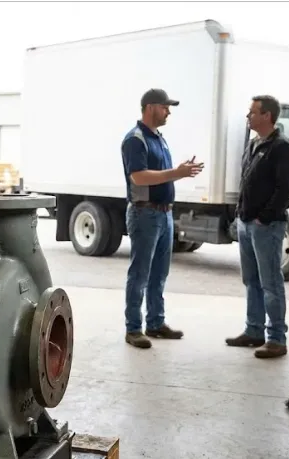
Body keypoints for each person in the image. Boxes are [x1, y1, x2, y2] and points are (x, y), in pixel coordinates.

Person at [120, 89, 204, 349]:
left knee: (159, 273)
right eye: (165, 107)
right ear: (149, 108)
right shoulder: (135, 140)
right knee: (140, 273)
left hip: (164, 213)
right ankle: (134, 329)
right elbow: (139, 177)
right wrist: (177, 173)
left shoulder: (159, 139)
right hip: (145, 213)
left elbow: (160, 174)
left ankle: (155, 323)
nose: (168, 112)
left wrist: (177, 171)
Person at [226, 95, 289, 359]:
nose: (248, 116)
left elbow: (285, 190)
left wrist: (263, 217)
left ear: (267, 116)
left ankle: (277, 338)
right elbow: (247, 181)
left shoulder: (282, 148)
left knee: (270, 283)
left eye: (252, 112)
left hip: (265, 226)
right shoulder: (255, 144)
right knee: (251, 280)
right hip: (246, 222)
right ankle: (254, 331)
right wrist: (240, 215)